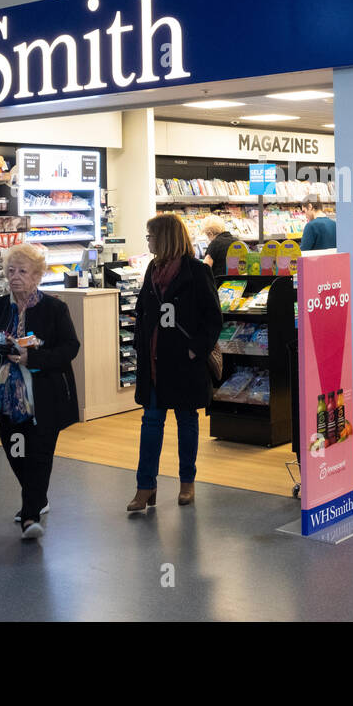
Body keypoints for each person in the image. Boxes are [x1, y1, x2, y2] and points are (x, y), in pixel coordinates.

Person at [0, 242, 80, 540]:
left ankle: (30, 514)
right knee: (14, 449)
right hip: (7, 396)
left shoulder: (55, 309)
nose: (15, 276)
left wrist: (31, 357)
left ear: (37, 276)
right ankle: (37, 498)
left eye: (23, 271)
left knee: (40, 453)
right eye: (11, 270)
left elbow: (70, 348)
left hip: (45, 396)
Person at [130, 213, 223, 511]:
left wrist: (195, 350)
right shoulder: (151, 270)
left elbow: (212, 318)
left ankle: (187, 482)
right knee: (151, 422)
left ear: (166, 237)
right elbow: (142, 311)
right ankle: (145, 487)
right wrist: (138, 344)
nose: (149, 241)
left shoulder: (196, 272)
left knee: (186, 422)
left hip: (184, 363)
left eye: (151, 236)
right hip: (155, 362)